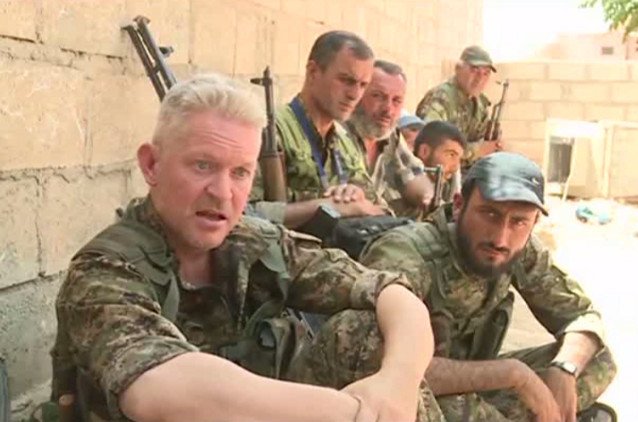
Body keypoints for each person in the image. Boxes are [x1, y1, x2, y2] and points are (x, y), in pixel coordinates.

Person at [48, 74, 436, 422]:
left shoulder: (253, 242)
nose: (222, 193)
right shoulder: (104, 270)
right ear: (151, 165)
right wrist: (356, 412)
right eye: (202, 166)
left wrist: (395, 386)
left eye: (240, 173)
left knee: (370, 334)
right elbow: (159, 392)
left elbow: (392, 293)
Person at [292, 152, 617, 422]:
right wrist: (512, 374)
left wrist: (564, 369)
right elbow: (380, 361)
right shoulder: (407, 253)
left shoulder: (518, 249)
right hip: (393, 391)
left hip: (469, 388)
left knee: (594, 356)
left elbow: (582, 317)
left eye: (519, 221)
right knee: (452, 407)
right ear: (459, 204)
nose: (501, 237)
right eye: (489, 214)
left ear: (533, 224)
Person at [250, 30, 387, 228]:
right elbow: (244, 213)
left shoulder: (345, 142)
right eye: (346, 80)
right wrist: (326, 207)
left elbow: (383, 211)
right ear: (313, 72)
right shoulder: (269, 131)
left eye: (363, 85)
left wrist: (358, 198)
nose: (354, 94)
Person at [346, 59, 434, 216]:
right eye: (378, 96)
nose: (388, 108)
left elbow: (413, 173)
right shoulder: (338, 133)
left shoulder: (390, 136)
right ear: (360, 94)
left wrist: (426, 197)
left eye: (396, 100)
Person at [416, 45, 503, 167]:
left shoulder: (479, 105)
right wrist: (476, 151)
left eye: (485, 73)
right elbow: (431, 143)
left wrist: (493, 147)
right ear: (458, 69)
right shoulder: (442, 98)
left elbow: (483, 142)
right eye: (474, 71)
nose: (479, 79)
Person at [411, 120, 466, 213]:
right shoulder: (401, 182)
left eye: (459, 159)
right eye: (451, 155)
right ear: (424, 151)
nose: (455, 166)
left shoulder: (445, 188)